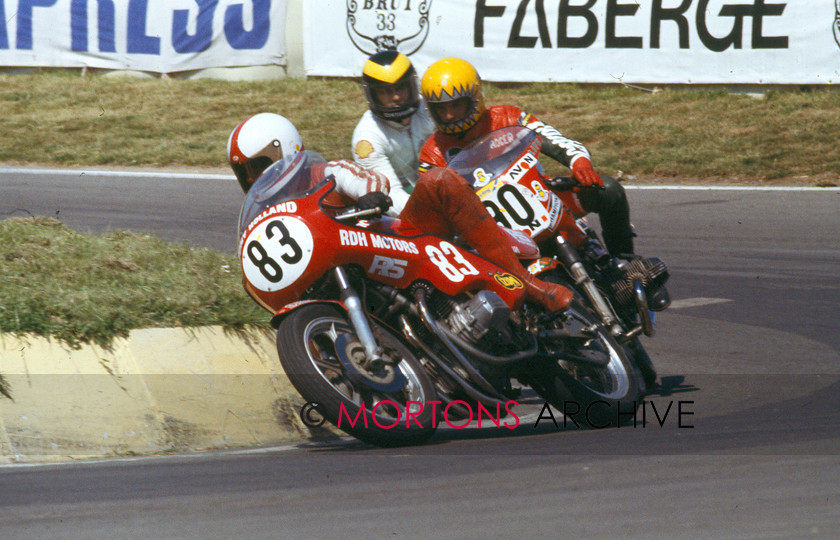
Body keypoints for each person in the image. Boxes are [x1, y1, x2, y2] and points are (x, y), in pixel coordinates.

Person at [229, 112, 573, 313]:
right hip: (343, 288)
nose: (250, 178)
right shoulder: (263, 220)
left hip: (394, 243)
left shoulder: (327, 172)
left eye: (256, 166)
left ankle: (528, 284)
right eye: (242, 172)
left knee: (439, 181)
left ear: (285, 149)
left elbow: (367, 180)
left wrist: (370, 197)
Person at [418, 57, 635, 257]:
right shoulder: (431, 153)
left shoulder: (509, 116)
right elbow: (436, 213)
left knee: (608, 189)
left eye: (456, 104)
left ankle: (625, 259)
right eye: (441, 108)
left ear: (474, 98)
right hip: (491, 230)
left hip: (543, 197)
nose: (449, 115)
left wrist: (581, 165)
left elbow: (560, 142)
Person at [351, 50, 436, 214]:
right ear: (372, 94)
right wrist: (430, 214)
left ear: (412, 85)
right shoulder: (366, 138)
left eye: (401, 88)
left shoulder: (429, 108)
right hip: (402, 206)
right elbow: (391, 192)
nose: (396, 97)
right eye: (385, 91)